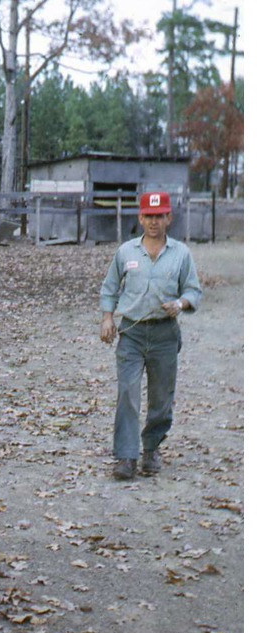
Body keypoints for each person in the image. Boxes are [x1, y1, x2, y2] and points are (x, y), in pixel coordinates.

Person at [99, 191, 202, 480]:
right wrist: (107, 318)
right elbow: (109, 287)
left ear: (169, 218)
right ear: (140, 218)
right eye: (148, 216)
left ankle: (151, 448)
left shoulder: (181, 254)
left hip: (164, 334)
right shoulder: (126, 252)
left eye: (159, 216)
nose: (154, 222)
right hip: (131, 333)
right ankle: (126, 456)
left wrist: (180, 304)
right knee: (128, 393)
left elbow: (193, 290)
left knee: (161, 398)